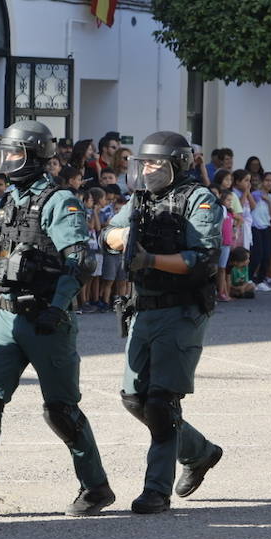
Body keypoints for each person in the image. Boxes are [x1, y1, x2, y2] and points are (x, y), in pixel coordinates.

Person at [0, 120, 115, 517]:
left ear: (37, 156)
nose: (5, 161)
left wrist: (57, 306)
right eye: (3, 153)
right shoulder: (7, 201)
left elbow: (81, 261)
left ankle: (95, 487)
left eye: (13, 153)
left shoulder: (60, 202)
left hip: (46, 317)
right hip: (6, 316)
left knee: (60, 410)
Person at [103, 130, 223, 514]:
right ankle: (199, 452)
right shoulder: (139, 199)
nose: (148, 170)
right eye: (145, 164)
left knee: (161, 401)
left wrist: (150, 259)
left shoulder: (199, 199)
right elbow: (108, 235)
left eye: (156, 163)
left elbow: (201, 259)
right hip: (143, 308)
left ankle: (156, 489)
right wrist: (124, 236)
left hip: (181, 310)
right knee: (133, 397)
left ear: (178, 165)